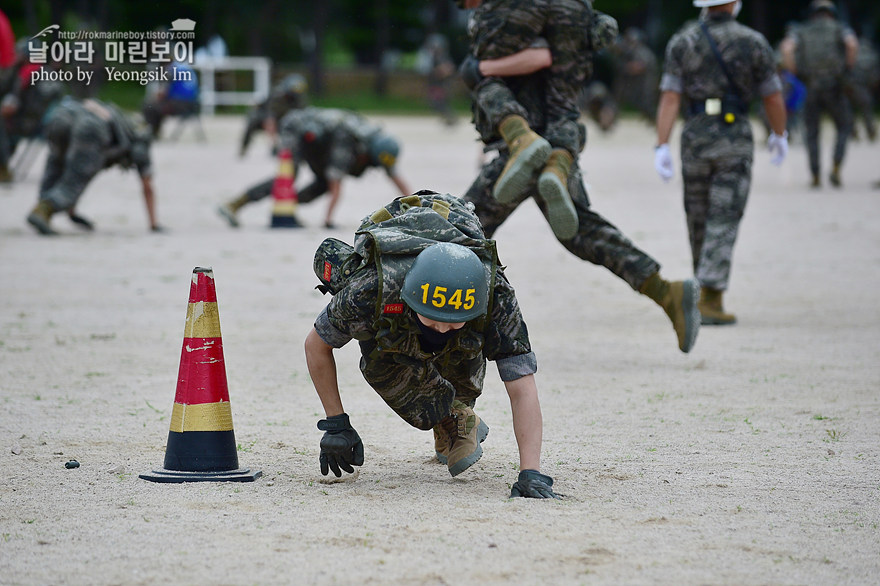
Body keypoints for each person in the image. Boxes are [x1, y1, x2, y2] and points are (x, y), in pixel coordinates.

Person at [461, 10, 701, 354]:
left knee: (465, 228)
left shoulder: (520, 14)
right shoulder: (559, 17)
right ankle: (667, 292)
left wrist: (481, 69)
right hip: (556, 141)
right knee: (582, 233)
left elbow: (539, 56)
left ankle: (430, 316)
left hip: (527, 143)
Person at [304, 191, 559, 499]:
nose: (441, 327)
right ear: (410, 298)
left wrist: (530, 471)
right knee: (381, 362)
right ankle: (446, 413)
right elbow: (316, 346)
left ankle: (454, 412)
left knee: (460, 368)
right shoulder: (372, 288)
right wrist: (336, 423)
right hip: (394, 325)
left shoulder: (494, 296)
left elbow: (521, 384)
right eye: (432, 317)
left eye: (454, 321)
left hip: (461, 326)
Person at [654, 0, 788, 325]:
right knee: (724, 215)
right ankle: (710, 298)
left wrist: (661, 144)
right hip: (734, 137)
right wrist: (779, 134)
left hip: (695, 135)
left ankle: (702, 290)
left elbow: (671, 96)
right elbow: (771, 95)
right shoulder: (753, 41)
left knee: (697, 214)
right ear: (732, 4)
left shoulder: (682, 41)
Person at [458, 0, 617, 241]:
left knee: (479, 76)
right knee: (563, 108)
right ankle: (557, 165)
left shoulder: (504, 10)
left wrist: (480, 69)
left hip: (529, 124)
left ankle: (520, 137)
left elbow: (540, 56)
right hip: (576, 9)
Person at [219, 107, 410, 229]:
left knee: (321, 184)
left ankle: (288, 208)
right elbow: (336, 184)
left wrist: (414, 205)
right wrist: (328, 221)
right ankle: (235, 204)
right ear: (367, 154)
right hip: (296, 129)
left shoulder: (373, 144)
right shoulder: (348, 141)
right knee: (288, 176)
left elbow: (394, 176)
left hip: (316, 141)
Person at [25, 97, 162, 235]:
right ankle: (43, 209)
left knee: (57, 166)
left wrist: (72, 212)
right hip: (91, 127)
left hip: (62, 116)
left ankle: (43, 207)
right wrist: (154, 224)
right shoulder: (140, 138)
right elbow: (147, 186)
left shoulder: (122, 118)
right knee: (77, 175)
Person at [780, 0, 858, 188]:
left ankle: (815, 175)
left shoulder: (802, 30)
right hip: (835, 86)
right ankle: (836, 166)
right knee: (844, 126)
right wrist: (847, 68)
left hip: (811, 86)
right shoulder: (841, 28)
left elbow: (787, 48)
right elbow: (852, 45)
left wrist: (795, 72)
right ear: (831, 13)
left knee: (812, 132)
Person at [239, 73, 308, 157]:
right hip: (268, 118)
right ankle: (244, 148)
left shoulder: (298, 98)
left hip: (284, 121)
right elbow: (269, 113)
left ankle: (293, 150)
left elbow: (302, 112)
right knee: (254, 122)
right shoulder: (277, 95)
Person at [611, 27, 659, 124]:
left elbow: (642, 66)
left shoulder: (642, 51)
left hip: (646, 82)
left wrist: (628, 68)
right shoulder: (630, 51)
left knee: (646, 103)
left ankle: (655, 121)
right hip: (636, 82)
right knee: (622, 95)